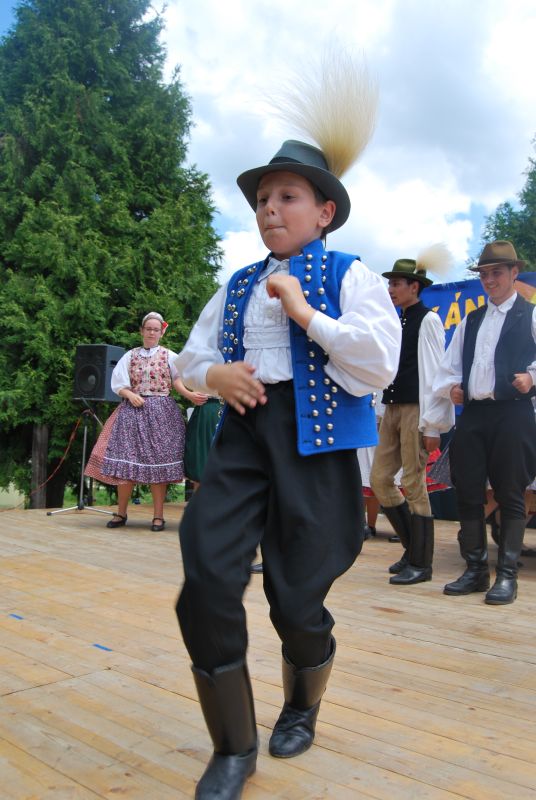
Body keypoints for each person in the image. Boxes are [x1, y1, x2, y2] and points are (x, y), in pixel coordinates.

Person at [173, 53, 401, 800]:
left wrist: (306, 313)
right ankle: (233, 749)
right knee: (206, 572)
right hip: (245, 435)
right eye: (263, 198)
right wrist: (215, 378)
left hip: (317, 444)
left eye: (287, 196)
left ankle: (301, 703)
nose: (270, 209)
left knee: (296, 601)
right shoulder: (237, 284)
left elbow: (378, 364)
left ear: (324, 212)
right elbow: (190, 358)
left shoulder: (350, 276)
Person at [434, 240, 536, 605]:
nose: (489, 280)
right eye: (485, 275)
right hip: (475, 415)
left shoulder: (530, 315)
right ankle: (476, 570)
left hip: (513, 413)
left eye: (497, 273)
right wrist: (452, 387)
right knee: (468, 491)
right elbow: (447, 367)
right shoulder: (471, 320)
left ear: (513, 273)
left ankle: (507, 575)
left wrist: (532, 377)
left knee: (510, 492)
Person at [370, 248, 454, 585]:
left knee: (414, 483)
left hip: (416, 410)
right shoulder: (396, 320)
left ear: (414, 287)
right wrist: (381, 409)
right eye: (390, 283)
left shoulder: (428, 320)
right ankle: (412, 550)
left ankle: (421, 563)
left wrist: (432, 425)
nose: (390, 289)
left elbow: (435, 373)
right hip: (392, 408)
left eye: (396, 284)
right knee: (380, 479)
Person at [85, 312, 206, 531]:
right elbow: (118, 384)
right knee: (125, 463)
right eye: (148, 329)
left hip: (162, 415)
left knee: (158, 465)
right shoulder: (130, 356)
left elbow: (177, 380)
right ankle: (121, 513)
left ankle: (158, 516)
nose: (151, 333)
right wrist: (130, 395)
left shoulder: (170, 356)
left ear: (161, 333)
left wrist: (190, 395)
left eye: (155, 330)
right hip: (132, 413)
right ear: (141, 331)